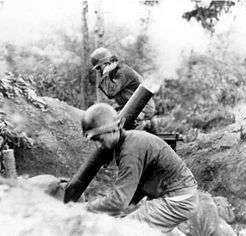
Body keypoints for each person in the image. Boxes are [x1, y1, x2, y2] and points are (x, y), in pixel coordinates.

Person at [82, 103, 198, 234]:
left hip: (177, 200)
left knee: (123, 230)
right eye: (94, 141)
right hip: (178, 196)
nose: (98, 146)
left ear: (116, 128)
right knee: (135, 222)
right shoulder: (129, 141)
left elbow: (119, 201)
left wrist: (84, 209)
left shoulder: (130, 150)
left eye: (100, 139)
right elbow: (134, 189)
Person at [90, 47, 156, 131]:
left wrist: (105, 73)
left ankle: (144, 125)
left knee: (118, 127)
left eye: (99, 68)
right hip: (131, 109)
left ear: (107, 63)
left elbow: (111, 92)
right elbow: (110, 95)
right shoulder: (114, 73)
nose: (99, 71)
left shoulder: (123, 72)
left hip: (143, 109)